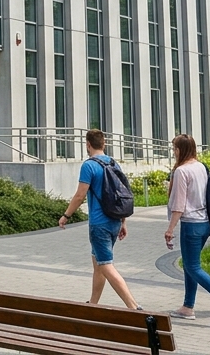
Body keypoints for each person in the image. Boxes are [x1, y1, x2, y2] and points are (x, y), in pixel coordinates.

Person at [58, 128, 141, 309]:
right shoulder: (113, 163)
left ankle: (133, 306)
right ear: (104, 144)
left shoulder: (89, 166)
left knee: (106, 265)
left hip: (99, 224)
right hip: (114, 221)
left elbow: (80, 196)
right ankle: (93, 304)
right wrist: (123, 222)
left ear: (88, 145)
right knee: (98, 264)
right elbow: (121, 194)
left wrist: (66, 216)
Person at [164, 134, 210, 327]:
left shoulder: (181, 171)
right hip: (206, 224)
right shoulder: (200, 167)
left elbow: (179, 206)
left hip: (191, 225)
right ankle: (188, 307)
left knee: (192, 267)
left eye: (174, 149)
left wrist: (170, 228)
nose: (174, 152)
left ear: (180, 150)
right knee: (191, 265)